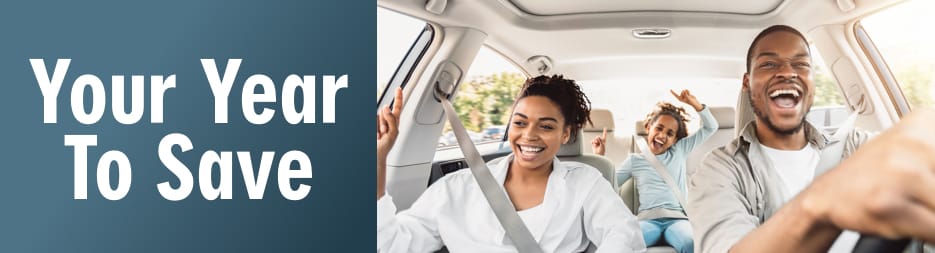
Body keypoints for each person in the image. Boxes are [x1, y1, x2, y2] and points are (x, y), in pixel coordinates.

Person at [688, 24, 935, 252]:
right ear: (747, 82)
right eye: (768, 64)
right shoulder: (719, 170)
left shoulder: (855, 146)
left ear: (813, 80)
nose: (787, 72)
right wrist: (818, 206)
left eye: (801, 64)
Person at [377, 75, 646, 252]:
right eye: (519, 122)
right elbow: (391, 244)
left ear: (566, 134)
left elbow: (624, 234)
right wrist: (378, 159)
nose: (529, 135)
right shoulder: (456, 188)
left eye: (546, 126)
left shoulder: (585, 182)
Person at [591, 90, 718, 253]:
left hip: (678, 220)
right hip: (647, 221)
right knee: (622, 244)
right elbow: (607, 185)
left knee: (691, 243)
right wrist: (600, 157)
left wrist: (695, 104)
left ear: (675, 141)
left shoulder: (679, 151)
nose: (662, 135)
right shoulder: (635, 160)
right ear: (648, 127)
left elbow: (711, 127)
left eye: (670, 134)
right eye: (659, 128)